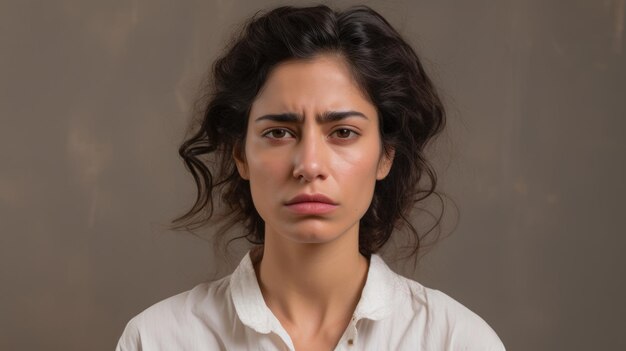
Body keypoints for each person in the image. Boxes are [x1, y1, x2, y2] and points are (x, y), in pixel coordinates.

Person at [116, 5, 505, 351]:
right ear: (240, 154)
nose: (309, 164)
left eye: (343, 132)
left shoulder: (456, 340)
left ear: (386, 155)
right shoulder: (157, 339)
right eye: (279, 133)